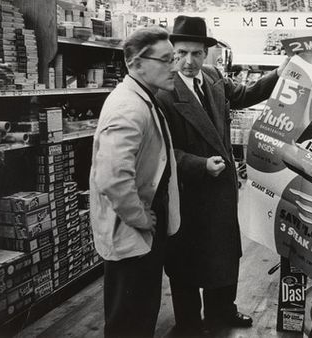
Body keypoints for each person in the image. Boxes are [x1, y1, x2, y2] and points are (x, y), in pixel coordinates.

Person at [157, 15, 288, 334]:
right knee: (187, 259)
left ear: (206, 54)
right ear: (172, 52)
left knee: (223, 252)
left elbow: (246, 94)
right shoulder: (162, 92)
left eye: (196, 53)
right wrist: (200, 165)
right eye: (182, 53)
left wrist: (279, 73)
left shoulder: (214, 77)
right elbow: (162, 152)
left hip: (221, 189)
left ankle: (222, 310)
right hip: (189, 190)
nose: (189, 61)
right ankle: (188, 320)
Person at [89, 26, 180, 338]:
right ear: (137, 63)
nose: (175, 66)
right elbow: (112, 176)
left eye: (174, 58)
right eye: (166, 60)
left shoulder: (142, 98)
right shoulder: (128, 107)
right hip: (133, 232)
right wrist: (140, 217)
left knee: (140, 313)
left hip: (141, 233)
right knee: (130, 320)